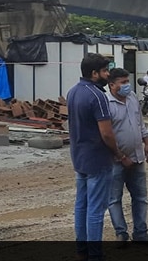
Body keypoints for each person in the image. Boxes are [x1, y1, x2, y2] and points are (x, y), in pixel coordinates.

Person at [67, 53, 133, 261]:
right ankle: (95, 254)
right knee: (95, 209)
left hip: (79, 158)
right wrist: (118, 153)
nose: (107, 74)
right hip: (97, 159)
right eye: (105, 71)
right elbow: (106, 133)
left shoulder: (73, 92)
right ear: (94, 73)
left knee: (81, 206)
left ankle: (82, 251)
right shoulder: (98, 96)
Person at [106, 67, 148, 245]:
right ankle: (121, 233)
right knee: (114, 199)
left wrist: (147, 143)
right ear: (112, 85)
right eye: (122, 83)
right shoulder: (105, 103)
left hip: (137, 157)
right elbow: (106, 135)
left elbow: (140, 124)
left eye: (127, 81)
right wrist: (121, 156)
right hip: (115, 160)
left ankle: (141, 233)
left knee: (140, 197)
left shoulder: (132, 98)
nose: (126, 86)